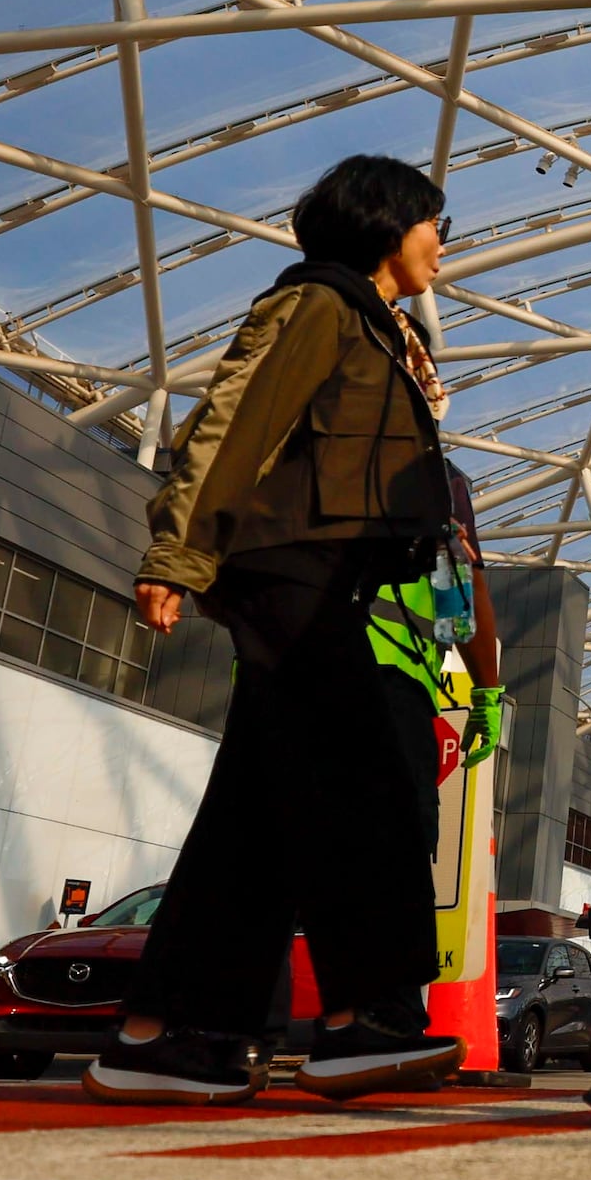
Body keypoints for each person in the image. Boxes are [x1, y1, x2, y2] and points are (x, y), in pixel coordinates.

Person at [113, 153, 484, 1107]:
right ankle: (364, 1017)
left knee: (261, 809)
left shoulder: (379, 327)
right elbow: (236, 422)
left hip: (325, 577)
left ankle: (175, 1031)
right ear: (384, 223)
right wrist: (178, 552)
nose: (442, 244)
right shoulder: (320, 305)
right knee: (362, 779)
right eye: (433, 224)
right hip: (290, 570)